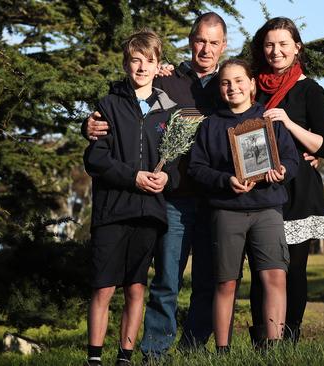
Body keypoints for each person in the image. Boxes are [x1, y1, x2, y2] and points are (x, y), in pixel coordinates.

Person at [84, 12, 228, 361]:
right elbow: (128, 106)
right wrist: (87, 125)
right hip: (172, 201)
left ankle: (194, 348)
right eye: (200, 40)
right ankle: (154, 350)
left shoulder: (231, 81)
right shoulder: (169, 79)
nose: (205, 48)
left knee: (208, 281)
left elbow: (253, 116)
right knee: (166, 280)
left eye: (214, 42)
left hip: (214, 198)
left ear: (224, 46)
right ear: (191, 41)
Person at [82, 29, 179, 366]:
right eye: (135, 61)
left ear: (157, 66)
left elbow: (177, 164)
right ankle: (94, 358)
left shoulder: (168, 112)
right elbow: (95, 159)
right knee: (103, 288)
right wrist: (133, 177)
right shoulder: (108, 106)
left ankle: (125, 358)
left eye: (148, 61)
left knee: (136, 288)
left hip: (149, 213)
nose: (141, 68)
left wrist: (167, 176)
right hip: (112, 211)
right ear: (126, 64)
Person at [188, 58, 298, 352]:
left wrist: (282, 171)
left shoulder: (269, 121)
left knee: (275, 276)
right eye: (225, 82)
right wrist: (226, 180)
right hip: (226, 211)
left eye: (238, 81)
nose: (232, 87)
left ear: (251, 84)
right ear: (219, 88)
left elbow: (291, 160)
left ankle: (273, 348)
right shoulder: (210, 125)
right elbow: (196, 168)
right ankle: (222, 351)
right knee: (225, 283)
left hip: (267, 208)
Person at [247, 17, 324, 345]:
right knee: (261, 272)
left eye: (284, 44)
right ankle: (262, 342)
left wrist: (288, 123)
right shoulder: (250, 84)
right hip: (261, 188)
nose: (276, 51)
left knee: (294, 271)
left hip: (300, 192)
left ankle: (291, 339)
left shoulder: (310, 89)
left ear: (297, 48)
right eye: (270, 44)